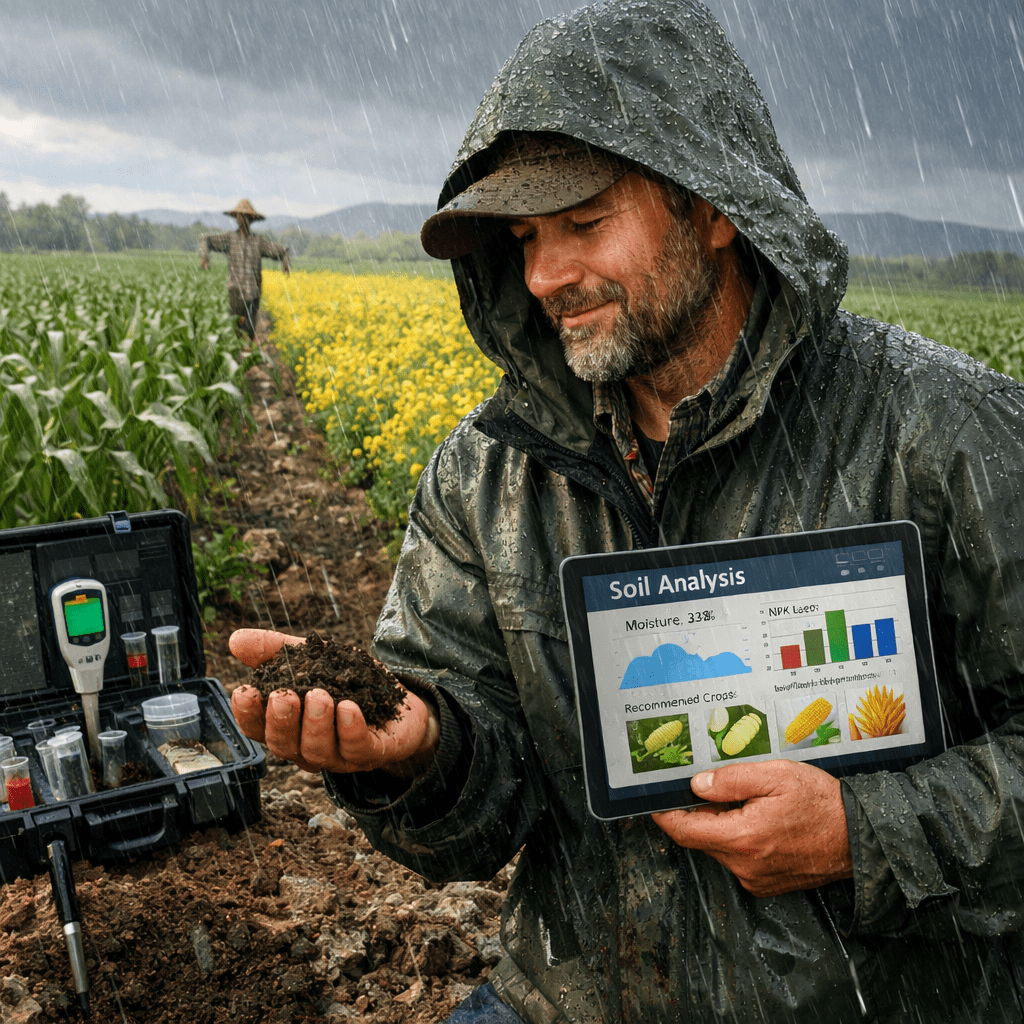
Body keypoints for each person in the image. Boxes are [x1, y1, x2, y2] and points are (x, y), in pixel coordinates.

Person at [229, 2, 1024, 1021]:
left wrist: (863, 831)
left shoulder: (946, 433)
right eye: (522, 238)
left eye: (583, 223)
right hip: (575, 993)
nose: (545, 276)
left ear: (714, 207)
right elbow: (481, 802)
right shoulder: (487, 477)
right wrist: (419, 750)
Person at [200, 198, 290, 339]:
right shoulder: (230, 238)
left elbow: (280, 251)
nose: (242, 219)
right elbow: (206, 240)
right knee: (236, 328)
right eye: (240, 216)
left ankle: (248, 353)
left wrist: (285, 261)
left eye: (246, 216)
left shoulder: (258, 241)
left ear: (251, 219)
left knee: (249, 330)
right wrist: (205, 256)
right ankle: (238, 354)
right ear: (236, 218)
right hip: (235, 291)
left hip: (253, 292)